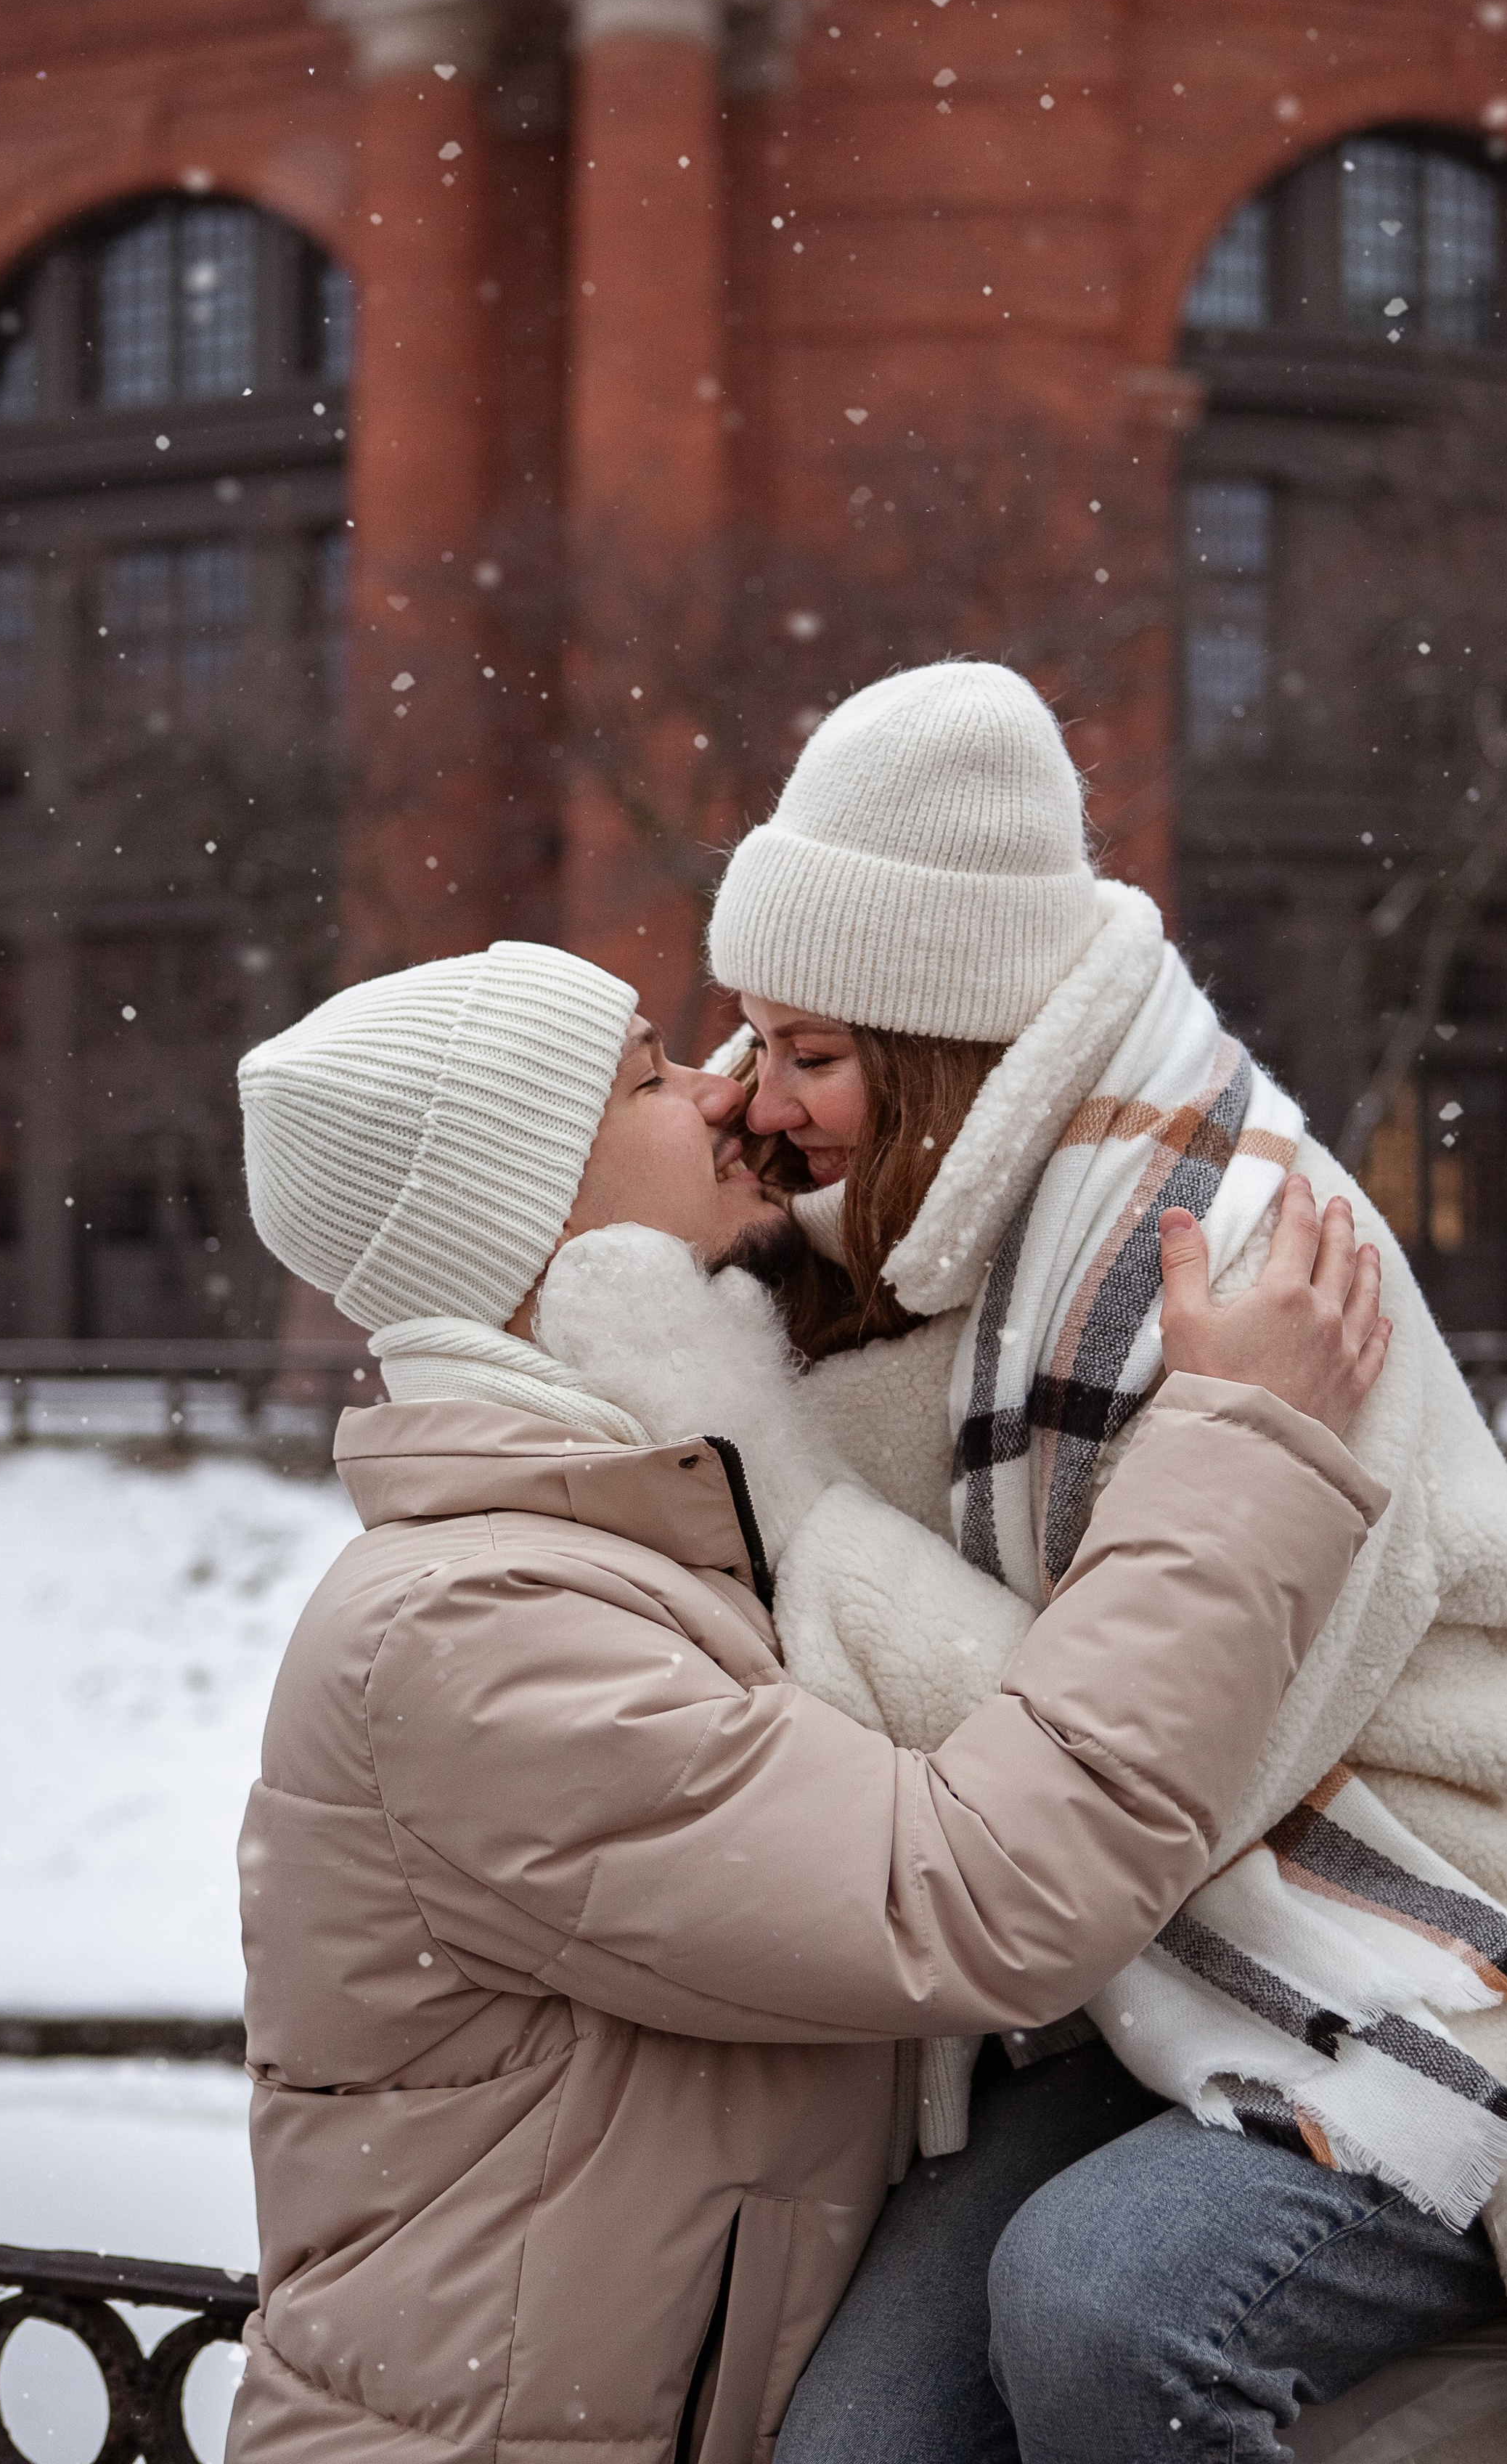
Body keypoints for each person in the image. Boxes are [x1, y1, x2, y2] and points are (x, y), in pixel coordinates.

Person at [704, 661, 1507, 2464]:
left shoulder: (1238, 1244)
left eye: (811, 1055)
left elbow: (1147, 1780)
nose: (758, 1099)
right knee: (850, 2446)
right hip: (1152, 1980)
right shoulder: (917, 1256)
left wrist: (805, 1513)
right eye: (747, 1038)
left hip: (1441, 1944)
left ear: (950, 1055)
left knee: (1106, 2308)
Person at [224, 937, 1390, 2464]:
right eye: (649, 1074)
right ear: (532, 1202)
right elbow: (973, 1894)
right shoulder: (475, 1630)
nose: (724, 1089)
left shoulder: (633, 1522)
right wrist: (1234, 1458)